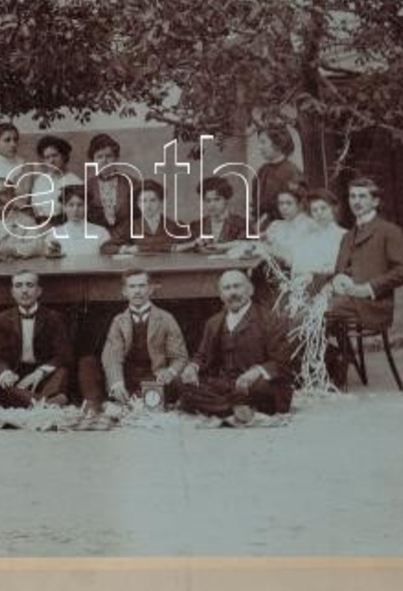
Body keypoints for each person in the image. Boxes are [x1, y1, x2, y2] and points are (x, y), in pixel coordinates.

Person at [179, 269, 296, 421]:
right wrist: (192, 368)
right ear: (221, 295)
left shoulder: (270, 320)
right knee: (182, 383)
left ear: (250, 290)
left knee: (262, 388)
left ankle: (221, 408)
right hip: (227, 384)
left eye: (237, 286)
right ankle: (236, 409)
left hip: (255, 384)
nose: (232, 293)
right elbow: (202, 356)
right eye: (227, 288)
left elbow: (282, 362)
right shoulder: (214, 323)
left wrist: (256, 372)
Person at [326, 177, 403, 334]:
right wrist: (337, 281)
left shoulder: (389, 231)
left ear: (375, 202)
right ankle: (335, 357)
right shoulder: (348, 236)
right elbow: (340, 270)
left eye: (362, 196)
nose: (356, 201)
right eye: (352, 196)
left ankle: (336, 358)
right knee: (303, 313)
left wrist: (368, 288)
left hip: (373, 304)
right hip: (346, 299)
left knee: (316, 313)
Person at [97, 268, 189, 408]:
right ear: (124, 291)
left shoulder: (165, 318)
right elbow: (112, 357)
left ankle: (143, 401)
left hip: (155, 377)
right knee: (88, 365)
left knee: (178, 384)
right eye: (132, 286)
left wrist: (169, 372)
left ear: (151, 289)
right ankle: (104, 402)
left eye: (142, 286)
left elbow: (180, 357)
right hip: (127, 378)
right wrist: (117, 382)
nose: (137, 291)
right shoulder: (118, 321)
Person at [0, 270, 72, 407]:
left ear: (39, 291)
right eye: (18, 286)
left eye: (29, 285)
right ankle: (46, 402)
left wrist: (40, 372)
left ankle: (38, 401)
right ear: (13, 292)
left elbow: (63, 355)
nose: (24, 291)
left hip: (43, 373)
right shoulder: (2, 319)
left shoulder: (53, 318)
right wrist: (5, 373)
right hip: (17, 373)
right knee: (2, 383)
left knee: (62, 372)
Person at [102, 179, 193, 255]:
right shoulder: (131, 226)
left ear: (161, 203)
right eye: (143, 201)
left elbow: (190, 248)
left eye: (153, 200)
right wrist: (126, 249)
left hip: (167, 270)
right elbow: (106, 247)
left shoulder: (174, 226)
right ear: (138, 204)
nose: (148, 205)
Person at [84, 133, 136, 244]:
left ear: (116, 158)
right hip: (98, 243)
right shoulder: (87, 187)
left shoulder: (131, 183)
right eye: (99, 157)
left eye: (109, 156)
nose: (104, 160)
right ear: (93, 160)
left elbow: (140, 217)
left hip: (127, 242)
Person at [22, 135, 82, 222]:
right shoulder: (40, 181)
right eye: (47, 157)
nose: (51, 161)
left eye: (55, 156)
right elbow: (35, 208)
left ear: (64, 156)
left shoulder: (75, 182)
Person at [292, 188, 348, 281]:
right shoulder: (307, 239)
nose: (319, 213)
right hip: (308, 288)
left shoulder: (345, 236)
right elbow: (297, 268)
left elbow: (344, 267)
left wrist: (313, 271)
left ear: (333, 209)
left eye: (323, 208)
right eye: (314, 210)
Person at [253, 126, 302, 231]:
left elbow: (296, 208)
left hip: (286, 228)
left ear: (278, 144)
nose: (260, 147)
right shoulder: (262, 171)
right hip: (261, 227)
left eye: (263, 142)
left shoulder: (291, 172)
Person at [188, 176, 249, 249]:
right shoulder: (197, 226)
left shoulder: (242, 225)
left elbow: (249, 245)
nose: (212, 205)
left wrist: (218, 246)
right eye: (208, 201)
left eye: (217, 199)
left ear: (226, 200)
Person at [51, 186, 111, 257]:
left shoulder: (101, 233)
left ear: (87, 207)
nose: (75, 209)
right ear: (64, 208)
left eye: (80, 205)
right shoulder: (55, 235)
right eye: (71, 205)